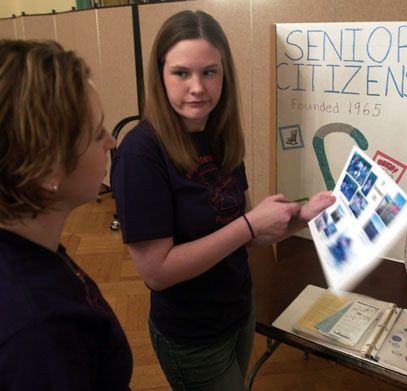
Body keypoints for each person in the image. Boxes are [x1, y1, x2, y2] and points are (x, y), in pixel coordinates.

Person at [110, 10, 334, 391]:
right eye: (181, 73)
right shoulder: (140, 153)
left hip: (239, 311)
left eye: (209, 72)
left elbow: (243, 230)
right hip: (192, 335)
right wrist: (250, 224)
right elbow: (157, 273)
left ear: (224, 74)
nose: (197, 87)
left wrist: (296, 219)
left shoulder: (221, 133)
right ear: (160, 75)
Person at [0, 40, 133, 390]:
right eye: (96, 133)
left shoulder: (28, 249)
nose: (111, 142)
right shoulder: (39, 333)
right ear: (45, 169)